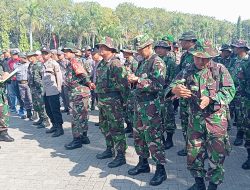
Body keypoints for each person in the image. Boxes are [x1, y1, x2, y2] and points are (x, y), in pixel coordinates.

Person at [165, 43, 235, 190]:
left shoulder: (219, 69)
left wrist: (211, 98)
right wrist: (175, 90)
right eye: (197, 58)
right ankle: (199, 184)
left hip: (216, 121)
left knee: (217, 156)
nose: (200, 62)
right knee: (193, 155)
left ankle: (212, 186)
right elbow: (171, 88)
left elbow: (229, 90)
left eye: (204, 58)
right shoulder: (187, 70)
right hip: (195, 121)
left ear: (211, 57)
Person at [127, 34, 167, 186]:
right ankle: (143, 163)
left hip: (152, 107)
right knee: (139, 136)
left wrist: (138, 80)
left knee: (154, 138)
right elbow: (138, 82)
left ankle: (160, 170)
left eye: (140, 49)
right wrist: (132, 80)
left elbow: (158, 85)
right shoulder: (143, 62)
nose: (138, 52)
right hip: (139, 106)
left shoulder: (158, 62)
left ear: (149, 47)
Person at [95, 37, 128, 168]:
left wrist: (124, 102)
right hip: (103, 101)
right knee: (104, 126)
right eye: (100, 47)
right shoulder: (102, 63)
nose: (100, 49)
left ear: (110, 49)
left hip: (113, 101)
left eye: (103, 47)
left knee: (117, 128)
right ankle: (110, 149)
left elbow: (123, 84)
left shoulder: (115, 64)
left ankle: (120, 155)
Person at [62, 44, 94, 150]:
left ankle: (77, 140)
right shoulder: (74, 62)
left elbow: (83, 74)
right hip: (80, 92)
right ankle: (84, 137)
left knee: (76, 116)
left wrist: (89, 83)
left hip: (78, 92)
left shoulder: (75, 61)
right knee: (83, 115)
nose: (64, 53)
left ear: (72, 52)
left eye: (67, 51)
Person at [175, 31, 198, 156]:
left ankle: (197, 149)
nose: (181, 43)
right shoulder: (185, 55)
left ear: (190, 42)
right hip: (183, 94)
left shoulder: (198, 54)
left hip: (194, 95)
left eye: (183, 41)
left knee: (194, 122)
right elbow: (179, 74)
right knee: (184, 120)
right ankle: (188, 146)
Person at [154, 40, 177, 150]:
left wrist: (170, 92)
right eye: (157, 48)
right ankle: (160, 137)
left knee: (168, 116)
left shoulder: (170, 62)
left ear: (167, 50)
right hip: (156, 93)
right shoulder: (154, 61)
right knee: (158, 116)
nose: (159, 50)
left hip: (166, 92)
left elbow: (174, 79)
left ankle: (169, 139)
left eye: (162, 48)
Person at [229, 40, 249, 146]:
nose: (234, 49)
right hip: (230, 91)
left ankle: (240, 135)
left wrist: (244, 78)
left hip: (242, 93)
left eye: (236, 47)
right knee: (228, 113)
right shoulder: (233, 60)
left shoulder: (248, 62)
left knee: (241, 115)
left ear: (242, 49)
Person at [41, 47, 64, 137]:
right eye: (43, 53)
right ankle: (54, 125)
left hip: (53, 90)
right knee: (48, 109)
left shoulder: (54, 64)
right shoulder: (43, 64)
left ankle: (59, 128)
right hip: (46, 91)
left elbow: (59, 77)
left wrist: (58, 89)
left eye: (46, 53)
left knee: (55, 110)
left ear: (50, 54)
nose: (44, 55)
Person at [27, 52, 49, 128]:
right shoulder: (30, 65)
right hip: (33, 88)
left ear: (35, 56)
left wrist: (43, 87)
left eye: (31, 56)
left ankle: (46, 121)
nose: (29, 58)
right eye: (28, 57)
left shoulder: (39, 65)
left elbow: (44, 77)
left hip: (39, 88)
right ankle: (41, 119)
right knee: (36, 105)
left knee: (41, 104)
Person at [120, 45, 138, 138]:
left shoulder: (134, 62)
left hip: (132, 89)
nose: (123, 53)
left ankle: (134, 129)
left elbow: (136, 75)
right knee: (126, 108)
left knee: (131, 109)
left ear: (129, 52)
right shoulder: (126, 62)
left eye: (124, 51)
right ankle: (129, 126)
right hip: (126, 88)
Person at [14, 53, 33, 120]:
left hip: (27, 83)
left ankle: (33, 113)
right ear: (20, 58)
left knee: (30, 98)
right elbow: (14, 72)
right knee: (23, 98)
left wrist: (27, 61)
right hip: (20, 83)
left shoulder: (28, 64)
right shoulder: (16, 65)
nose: (24, 58)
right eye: (22, 57)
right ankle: (27, 113)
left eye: (24, 57)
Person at [7, 49, 24, 115]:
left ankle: (23, 108)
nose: (15, 56)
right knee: (13, 95)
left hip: (19, 80)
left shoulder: (20, 60)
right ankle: (14, 108)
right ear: (11, 55)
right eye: (13, 54)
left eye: (16, 54)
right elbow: (10, 70)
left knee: (20, 95)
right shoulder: (9, 62)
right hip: (12, 80)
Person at [0, 65, 14, 143]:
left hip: (1, 94)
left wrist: (6, 76)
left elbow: (5, 79)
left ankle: (3, 133)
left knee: (4, 113)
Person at [57, 50, 70, 114]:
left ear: (63, 55)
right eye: (58, 55)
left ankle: (69, 109)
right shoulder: (57, 62)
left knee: (67, 96)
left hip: (66, 81)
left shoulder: (67, 62)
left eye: (60, 55)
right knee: (63, 96)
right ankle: (66, 108)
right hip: (60, 81)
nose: (58, 56)